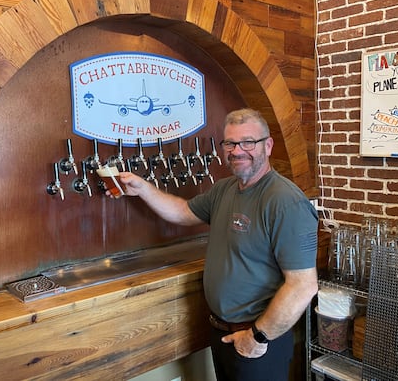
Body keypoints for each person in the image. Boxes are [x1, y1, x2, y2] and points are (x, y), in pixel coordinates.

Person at [114, 108, 318, 381]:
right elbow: (184, 212)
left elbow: (303, 285)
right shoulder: (225, 189)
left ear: (267, 146)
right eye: (230, 143)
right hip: (223, 332)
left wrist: (258, 336)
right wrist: (143, 190)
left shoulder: (285, 201)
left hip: (259, 339)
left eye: (248, 142)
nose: (237, 151)